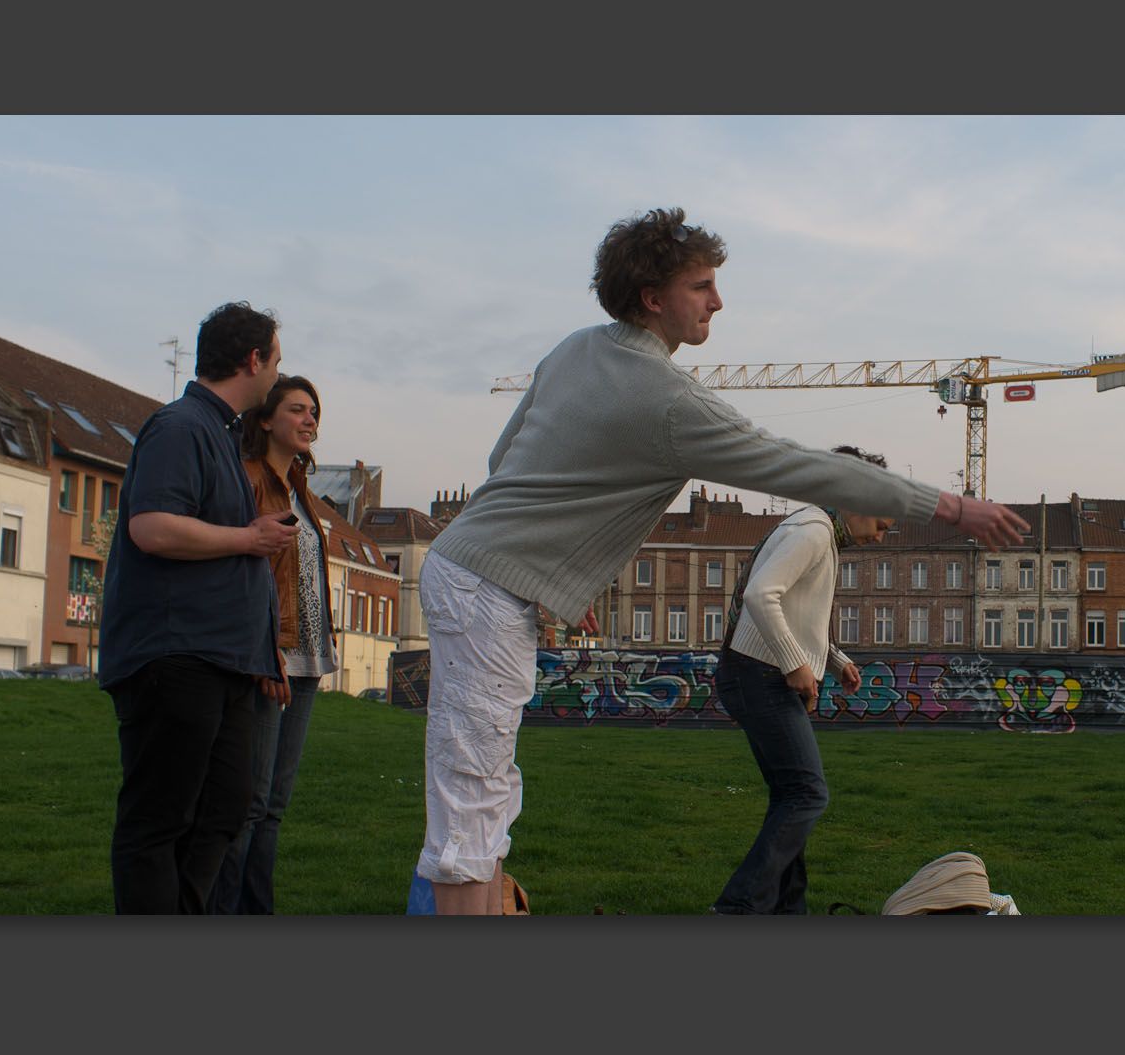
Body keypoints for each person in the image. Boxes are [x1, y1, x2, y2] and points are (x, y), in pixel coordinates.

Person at [416, 206, 1029, 914]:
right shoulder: (671, 402)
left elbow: (507, 459)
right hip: (487, 589)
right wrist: (951, 508)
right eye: (702, 285)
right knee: (472, 804)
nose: (718, 300)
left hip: (480, 573)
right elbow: (802, 467)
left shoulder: (576, 347)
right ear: (653, 298)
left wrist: (558, 570)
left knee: (486, 792)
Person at [98, 301, 297, 914]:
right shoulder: (181, 427)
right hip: (176, 656)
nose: (279, 375)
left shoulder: (220, 435)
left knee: (226, 810)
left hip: (226, 663)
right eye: (277, 360)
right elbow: (152, 528)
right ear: (252, 359)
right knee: (161, 819)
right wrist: (249, 537)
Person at [712, 445, 894, 915]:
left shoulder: (818, 530)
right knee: (807, 792)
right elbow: (761, 594)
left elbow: (793, 611)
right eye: (881, 526)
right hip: (759, 674)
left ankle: (789, 911)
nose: (879, 539)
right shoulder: (812, 530)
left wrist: (833, 661)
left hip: (753, 670)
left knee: (790, 798)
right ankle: (738, 907)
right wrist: (796, 665)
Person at [209, 376, 338, 914]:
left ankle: (257, 910)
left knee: (275, 805)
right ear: (266, 420)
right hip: (271, 657)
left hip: (307, 661)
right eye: (297, 410)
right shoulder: (250, 481)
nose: (310, 420)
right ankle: (220, 912)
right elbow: (245, 575)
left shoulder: (302, 489)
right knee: (249, 802)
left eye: (314, 412)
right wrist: (265, 653)